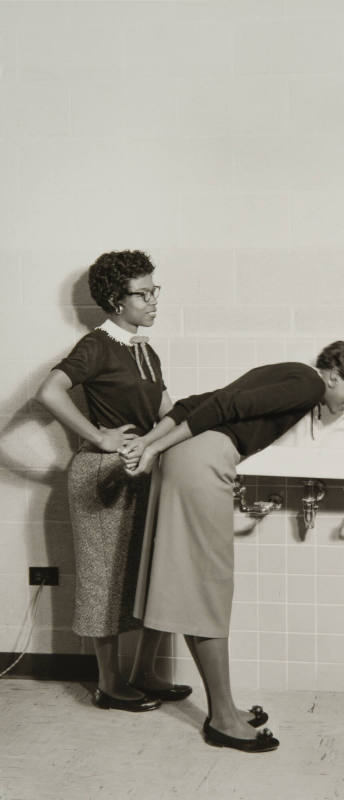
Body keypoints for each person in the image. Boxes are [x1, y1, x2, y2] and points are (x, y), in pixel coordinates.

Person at [122, 341, 344, 752]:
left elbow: (195, 402)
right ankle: (222, 718)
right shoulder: (308, 384)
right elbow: (225, 407)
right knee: (208, 585)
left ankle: (143, 673)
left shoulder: (290, 372)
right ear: (333, 374)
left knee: (174, 572)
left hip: (188, 458)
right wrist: (151, 446)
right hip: (203, 462)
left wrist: (156, 442)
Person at [36, 250, 191, 712]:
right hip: (101, 476)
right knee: (104, 581)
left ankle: (145, 673)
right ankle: (109, 682)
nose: (153, 301)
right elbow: (48, 392)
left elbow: (167, 411)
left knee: (152, 575)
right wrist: (99, 437)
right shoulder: (96, 345)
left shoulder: (145, 350)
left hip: (141, 471)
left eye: (154, 290)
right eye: (142, 294)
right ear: (114, 300)